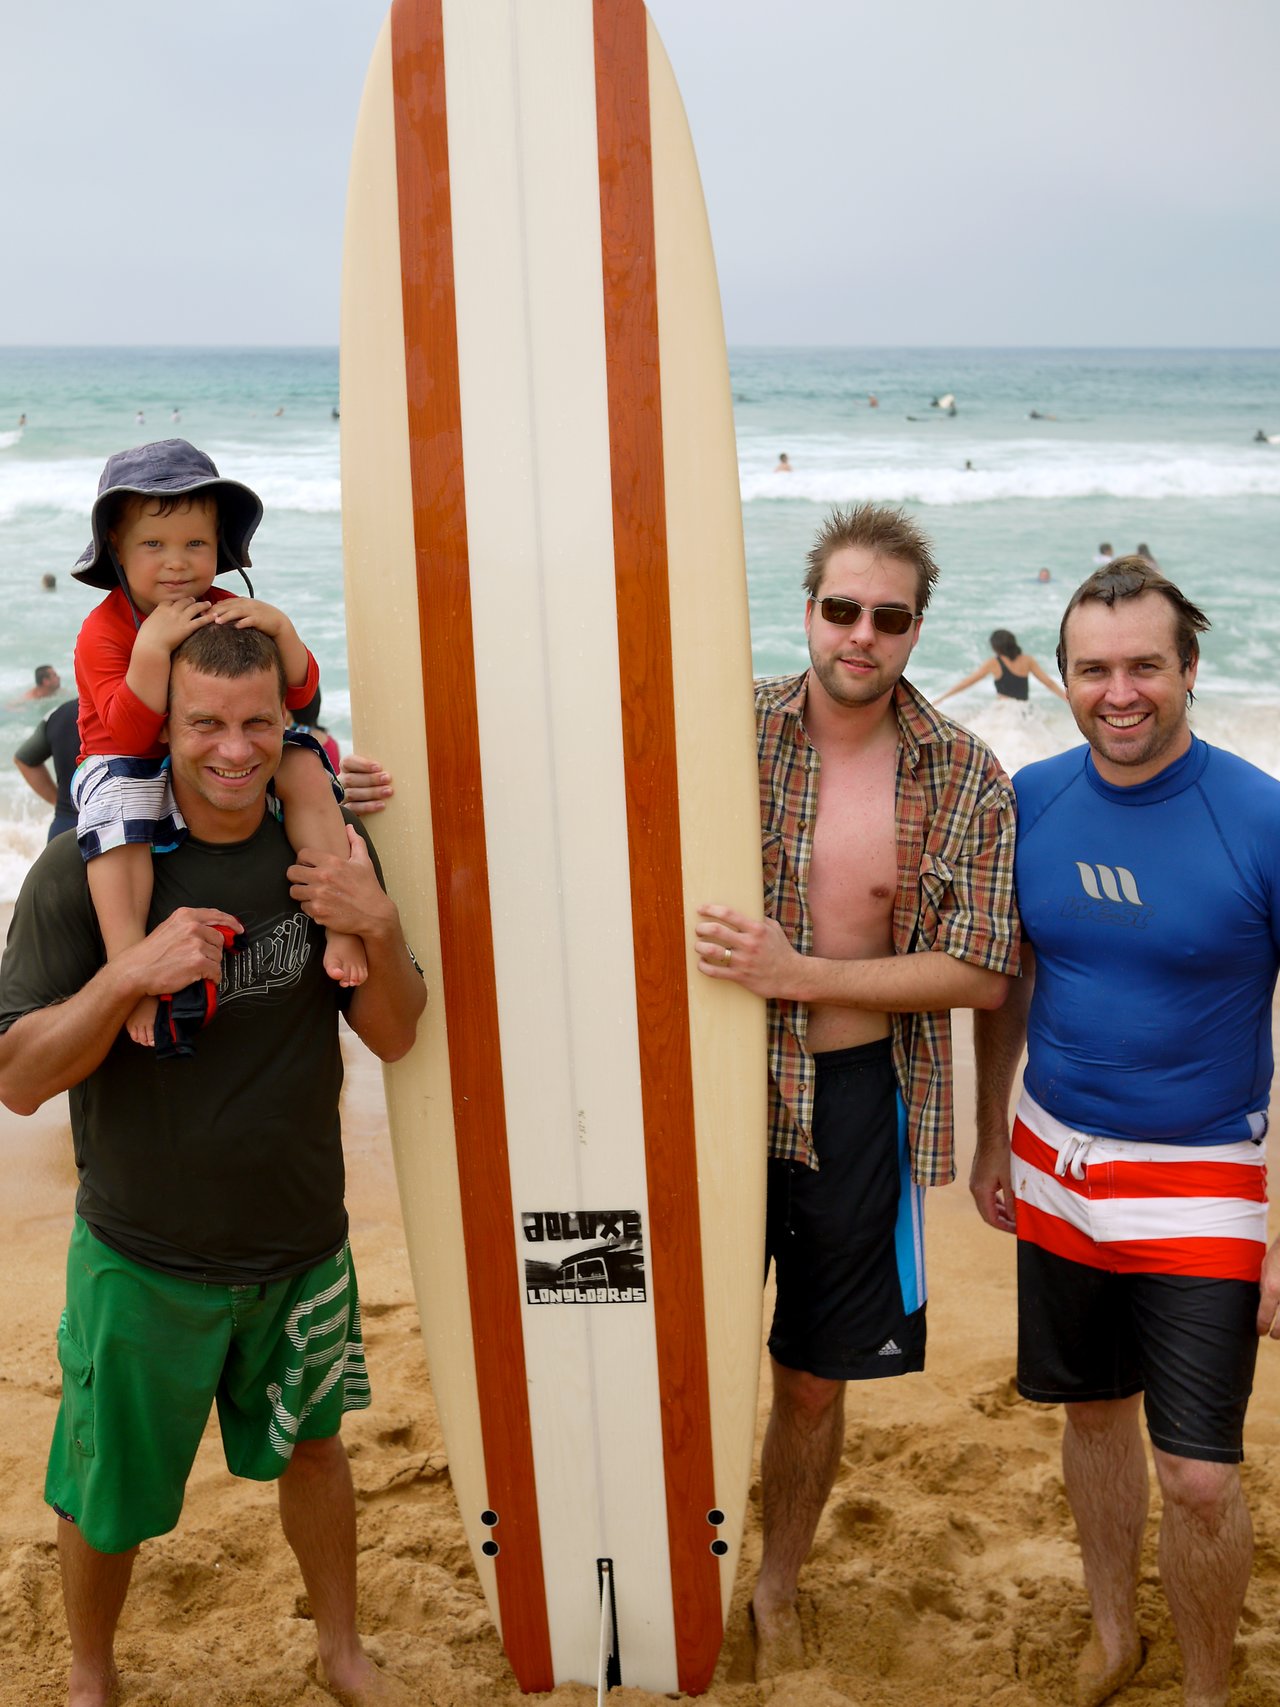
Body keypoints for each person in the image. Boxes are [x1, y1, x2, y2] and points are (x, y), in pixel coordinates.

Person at [0, 621, 426, 1707]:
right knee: (106, 1492)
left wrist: (374, 924)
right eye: (203, 724)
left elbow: (396, 1032)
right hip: (144, 1254)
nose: (231, 749)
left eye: (253, 724)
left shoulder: (323, 849)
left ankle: (339, 1650)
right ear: (166, 727)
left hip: (299, 1244)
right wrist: (124, 975)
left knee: (316, 1454)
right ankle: (90, 1677)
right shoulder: (90, 873)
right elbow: (18, 1077)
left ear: (288, 724)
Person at [691, 502, 1021, 1681]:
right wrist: (367, 781)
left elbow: (982, 970)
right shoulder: (719, 727)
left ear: (915, 630)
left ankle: (774, 1582)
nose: (860, 636)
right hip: (710, 1094)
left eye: (887, 618)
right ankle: (683, 1564)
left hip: (855, 1097)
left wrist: (802, 972)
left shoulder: (966, 774)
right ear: (807, 610)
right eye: (841, 609)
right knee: (682, 1350)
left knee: (813, 1376)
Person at [971, 557, 1280, 1707]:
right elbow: (1007, 981)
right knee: (1092, 1417)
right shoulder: (1033, 800)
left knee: (1198, 1475)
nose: (1119, 692)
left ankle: (1206, 1689)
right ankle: (1113, 1639)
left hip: (1202, 1180)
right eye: (1093, 669)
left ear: (1186, 669)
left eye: (1143, 666)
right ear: (1060, 679)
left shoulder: (1256, 816)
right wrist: (993, 1135)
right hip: (1055, 1161)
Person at [69, 439, 366, 1052]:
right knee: (117, 817)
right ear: (117, 552)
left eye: (195, 545)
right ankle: (132, 970)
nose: (176, 563)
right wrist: (151, 650)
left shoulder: (224, 609)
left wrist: (281, 628)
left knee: (306, 767)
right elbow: (124, 735)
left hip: (214, 758)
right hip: (129, 763)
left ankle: (341, 920)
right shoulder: (102, 633)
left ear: (221, 550)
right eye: (153, 545)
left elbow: (301, 692)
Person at [935, 629, 1068, 706]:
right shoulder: (1028, 660)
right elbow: (1048, 683)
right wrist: (1067, 699)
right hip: (1024, 709)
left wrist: (942, 698)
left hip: (1004, 710)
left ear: (996, 647)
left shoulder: (993, 663)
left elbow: (967, 682)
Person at [14, 698, 80, 840]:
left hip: (63, 830)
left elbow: (23, 759)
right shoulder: (123, 711)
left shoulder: (57, 714)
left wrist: (59, 802)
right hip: (112, 833)